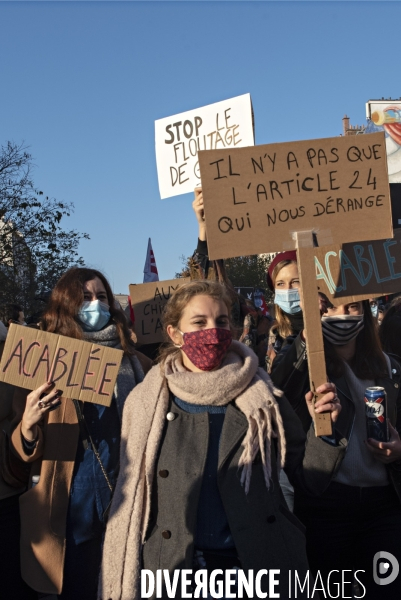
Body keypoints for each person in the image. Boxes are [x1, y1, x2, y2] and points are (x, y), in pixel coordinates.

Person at [99, 280, 341, 600]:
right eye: (199, 322)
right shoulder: (146, 402)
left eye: (222, 321)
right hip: (177, 572)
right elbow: (131, 491)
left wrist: (324, 429)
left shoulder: (262, 394)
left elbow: (307, 477)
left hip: (256, 568)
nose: (212, 331)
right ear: (174, 333)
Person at [5, 267, 152, 599]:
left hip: (126, 499)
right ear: (65, 304)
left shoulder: (138, 363)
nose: (95, 305)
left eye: (101, 297)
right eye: (85, 298)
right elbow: (18, 447)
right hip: (69, 507)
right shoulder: (40, 362)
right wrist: (28, 425)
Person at [270, 298, 401, 599]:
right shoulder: (304, 370)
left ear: (365, 313)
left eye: (352, 307)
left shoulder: (391, 369)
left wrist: (398, 451)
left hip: (384, 506)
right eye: (330, 308)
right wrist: (307, 334)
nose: (341, 317)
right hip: (326, 505)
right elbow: (277, 387)